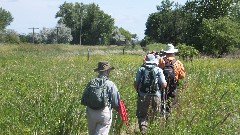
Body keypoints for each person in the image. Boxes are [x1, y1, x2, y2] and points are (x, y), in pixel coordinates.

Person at [81, 61, 121, 135]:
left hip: (90, 112)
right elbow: (116, 102)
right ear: (107, 71)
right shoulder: (110, 84)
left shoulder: (91, 82)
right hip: (104, 112)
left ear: (99, 71)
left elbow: (84, 98)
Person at [134, 54, 167, 134]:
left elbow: (135, 84)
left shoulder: (141, 69)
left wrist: (140, 91)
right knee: (155, 114)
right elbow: (163, 84)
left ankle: (144, 131)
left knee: (142, 116)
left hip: (142, 95)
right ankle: (153, 131)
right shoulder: (158, 70)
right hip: (156, 95)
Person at [158, 43, 186, 113]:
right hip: (173, 85)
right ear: (173, 52)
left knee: (162, 101)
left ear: (165, 52)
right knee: (172, 103)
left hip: (162, 85)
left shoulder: (161, 60)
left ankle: (162, 115)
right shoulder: (178, 63)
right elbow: (182, 76)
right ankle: (169, 116)